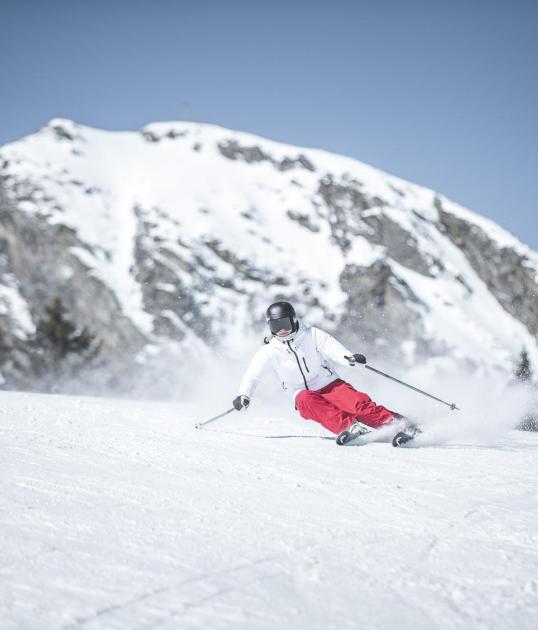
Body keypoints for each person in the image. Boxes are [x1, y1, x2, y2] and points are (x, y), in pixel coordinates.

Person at [233, 301, 402, 440]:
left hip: (328, 383)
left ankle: (398, 425)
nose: (281, 330)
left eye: (284, 324)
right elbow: (253, 375)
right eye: (276, 326)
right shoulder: (269, 350)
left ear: (293, 320)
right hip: (300, 392)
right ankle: (351, 428)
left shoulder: (310, 334)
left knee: (357, 405)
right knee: (305, 400)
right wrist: (244, 395)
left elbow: (332, 348)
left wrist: (350, 359)